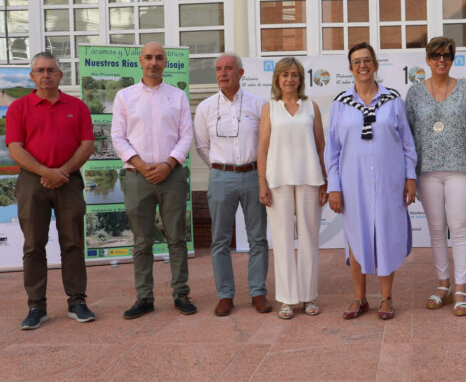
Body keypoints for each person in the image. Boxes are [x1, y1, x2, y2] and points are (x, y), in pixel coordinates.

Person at [325, 42, 417, 320]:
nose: (362, 65)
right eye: (356, 61)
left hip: (389, 181)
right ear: (350, 67)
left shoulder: (393, 101)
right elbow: (332, 150)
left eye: (367, 60)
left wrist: (410, 177)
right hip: (353, 184)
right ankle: (359, 298)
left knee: (387, 235)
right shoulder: (340, 104)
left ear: (375, 64)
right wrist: (334, 187)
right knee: (357, 238)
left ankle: (386, 299)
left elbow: (407, 144)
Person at [6, 52, 95, 330]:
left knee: (73, 243)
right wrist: (46, 172)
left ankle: (77, 302)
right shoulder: (19, 107)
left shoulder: (77, 106)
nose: (46, 75)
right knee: (34, 245)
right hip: (33, 181)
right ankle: (36, 306)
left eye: (51, 70)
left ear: (60, 75)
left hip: (69, 180)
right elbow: (15, 148)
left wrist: (62, 172)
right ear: (32, 76)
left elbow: (86, 144)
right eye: (40, 71)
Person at [111, 42, 195, 318]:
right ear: (140, 61)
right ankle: (144, 297)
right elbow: (118, 137)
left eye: (159, 57)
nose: (153, 62)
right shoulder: (125, 97)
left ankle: (181, 292)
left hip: (171, 175)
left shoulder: (178, 96)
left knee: (176, 238)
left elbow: (186, 135)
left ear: (166, 62)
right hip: (138, 177)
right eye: (148, 57)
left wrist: (168, 164)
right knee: (142, 241)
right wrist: (142, 165)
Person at [405, 36, 466, 316]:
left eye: (447, 56)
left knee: (460, 229)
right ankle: (444, 286)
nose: (442, 60)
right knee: (437, 231)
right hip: (427, 171)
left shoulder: (464, 89)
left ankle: (461, 288)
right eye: (436, 55)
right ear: (427, 59)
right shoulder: (414, 93)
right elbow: (407, 135)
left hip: (459, 169)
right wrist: (408, 174)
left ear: (453, 60)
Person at [193, 53, 272, 316]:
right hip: (221, 177)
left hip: (253, 175)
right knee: (220, 240)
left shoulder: (259, 104)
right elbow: (202, 146)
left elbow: (266, 144)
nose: (223, 73)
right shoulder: (205, 107)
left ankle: (258, 292)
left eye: (228, 68)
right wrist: (220, 166)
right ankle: (225, 294)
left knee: (258, 238)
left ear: (240, 73)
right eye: (218, 69)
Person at [257, 57, 327, 320]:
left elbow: (321, 146)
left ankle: (308, 296)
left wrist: (325, 181)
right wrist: (262, 182)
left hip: (310, 178)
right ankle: (287, 299)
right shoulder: (270, 108)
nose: (289, 79)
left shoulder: (312, 107)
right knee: (283, 242)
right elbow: (262, 149)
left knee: (309, 239)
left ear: (301, 79)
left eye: (294, 75)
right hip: (278, 181)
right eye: (284, 75)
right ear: (277, 79)